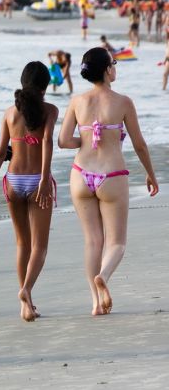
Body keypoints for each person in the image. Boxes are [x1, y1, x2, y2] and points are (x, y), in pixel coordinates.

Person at [58, 47, 158, 316]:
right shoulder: (123, 102)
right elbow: (139, 144)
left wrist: (87, 139)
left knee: (92, 242)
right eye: (113, 63)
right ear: (106, 69)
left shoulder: (77, 101)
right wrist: (151, 173)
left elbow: (63, 141)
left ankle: (95, 303)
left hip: (80, 175)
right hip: (111, 176)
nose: (116, 67)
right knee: (116, 243)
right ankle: (103, 276)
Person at [0, 62, 59, 322]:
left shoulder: (9, 113)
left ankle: (26, 305)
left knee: (22, 244)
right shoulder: (50, 110)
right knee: (40, 246)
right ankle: (26, 290)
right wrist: (44, 179)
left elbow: (0, 153)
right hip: (37, 179)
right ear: (45, 86)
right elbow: (47, 141)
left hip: (13, 181)